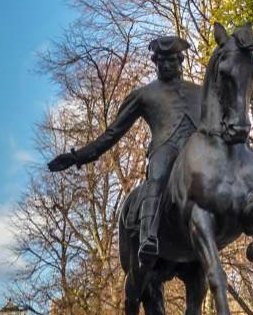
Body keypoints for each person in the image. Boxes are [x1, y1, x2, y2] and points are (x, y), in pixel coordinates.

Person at [47, 35, 202, 267]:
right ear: (155, 63)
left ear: (180, 60)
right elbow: (112, 133)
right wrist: (78, 156)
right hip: (165, 148)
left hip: (198, 151)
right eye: (162, 61)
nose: (167, 65)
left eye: (172, 60)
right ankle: (148, 236)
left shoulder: (200, 91)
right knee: (157, 178)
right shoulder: (144, 95)